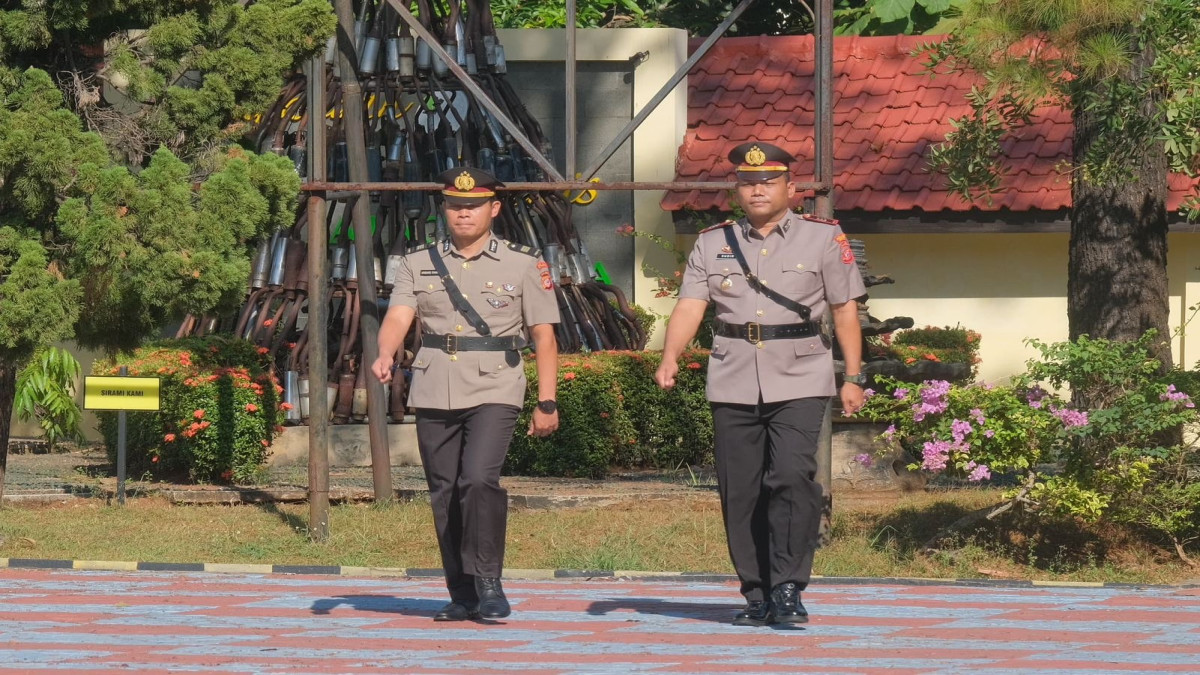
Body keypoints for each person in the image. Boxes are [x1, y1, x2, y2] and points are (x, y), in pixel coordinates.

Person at [654, 141, 866, 626]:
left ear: (791, 189)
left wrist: (853, 374)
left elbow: (844, 308)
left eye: (767, 182)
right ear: (737, 190)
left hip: (802, 374)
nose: (757, 191)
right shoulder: (713, 241)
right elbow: (691, 305)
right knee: (741, 488)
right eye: (748, 183)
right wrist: (670, 356)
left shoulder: (823, 238)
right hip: (732, 377)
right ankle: (756, 592)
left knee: (791, 476)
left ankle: (789, 586)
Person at [372, 167, 560, 622]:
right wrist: (385, 352)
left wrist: (547, 400)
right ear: (445, 209)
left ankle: (489, 582)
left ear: (493, 209)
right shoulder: (417, 262)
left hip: (497, 383)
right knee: (445, 490)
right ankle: (461, 593)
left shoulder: (523, 263)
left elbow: (544, 335)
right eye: (455, 206)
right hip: (435, 383)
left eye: (473, 206)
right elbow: (399, 315)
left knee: (478, 480)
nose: (463, 213)